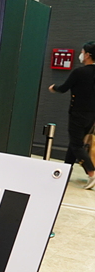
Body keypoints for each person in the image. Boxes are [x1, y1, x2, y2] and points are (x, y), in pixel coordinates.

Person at [49, 41, 95, 189]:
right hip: (92, 115)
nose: (81, 55)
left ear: (87, 55)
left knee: (76, 144)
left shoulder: (79, 72)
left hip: (78, 113)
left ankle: (92, 173)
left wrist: (53, 87)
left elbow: (63, 88)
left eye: (82, 52)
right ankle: (66, 170)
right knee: (75, 142)